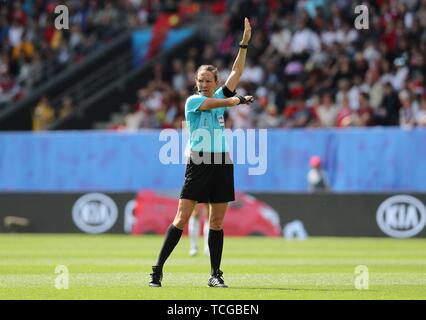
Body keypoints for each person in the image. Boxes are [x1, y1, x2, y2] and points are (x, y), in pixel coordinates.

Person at [149, 17, 253, 288]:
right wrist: (236, 100)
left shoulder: (218, 95)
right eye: (201, 80)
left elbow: (236, 74)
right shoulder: (195, 101)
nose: (204, 83)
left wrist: (243, 44)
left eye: (208, 80)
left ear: (215, 81)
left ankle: (215, 274)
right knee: (182, 218)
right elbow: (225, 100)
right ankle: (157, 270)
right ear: (196, 83)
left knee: (217, 221)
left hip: (221, 162)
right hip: (199, 161)